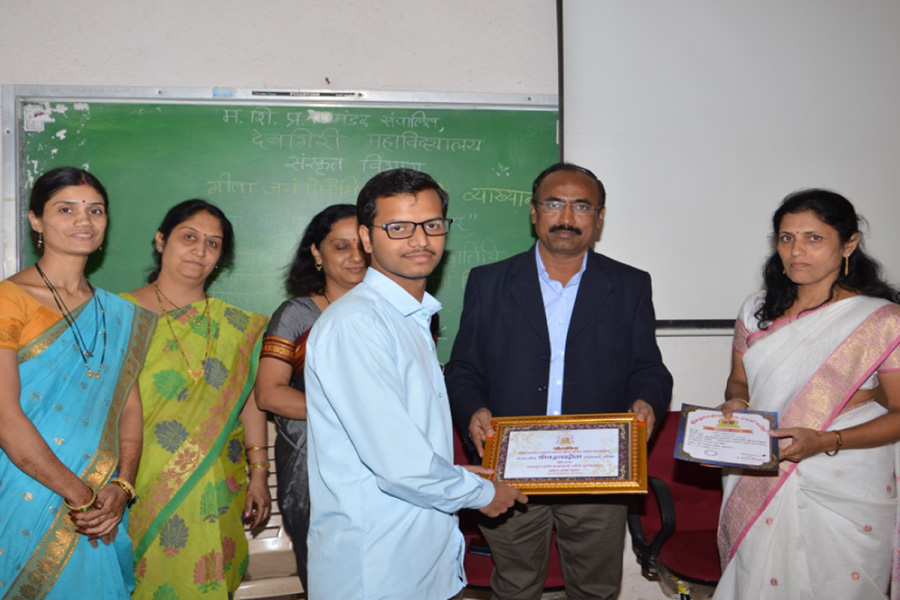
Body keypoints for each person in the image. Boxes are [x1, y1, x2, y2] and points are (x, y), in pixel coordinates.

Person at [445, 162, 673, 600]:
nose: (566, 217)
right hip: (511, 471)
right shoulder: (489, 282)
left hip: (596, 474)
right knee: (515, 587)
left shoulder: (629, 284)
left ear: (599, 218)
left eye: (581, 206)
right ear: (534, 212)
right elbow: (464, 368)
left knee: (595, 589)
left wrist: (647, 400)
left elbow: (649, 367)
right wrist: (473, 409)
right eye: (554, 204)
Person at [304, 168, 527, 600]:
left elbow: (405, 440)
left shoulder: (410, 318)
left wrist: (452, 474)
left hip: (417, 553)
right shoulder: (357, 324)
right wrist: (481, 493)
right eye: (399, 228)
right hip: (376, 564)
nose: (420, 240)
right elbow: (398, 463)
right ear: (367, 238)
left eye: (432, 225)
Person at [713, 189, 900, 599]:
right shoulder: (757, 311)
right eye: (786, 238)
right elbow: (739, 383)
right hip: (760, 467)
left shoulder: (882, 320)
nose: (796, 251)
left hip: (844, 477)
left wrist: (826, 441)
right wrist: (737, 404)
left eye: (814, 238)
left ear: (848, 243)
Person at [0, 167, 155, 598]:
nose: (83, 220)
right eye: (65, 209)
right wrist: (79, 495)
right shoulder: (8, 300)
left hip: (102, 499)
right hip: (26, 489)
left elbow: (129, 407)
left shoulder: (119, 313)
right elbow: (5, 417)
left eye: (95, 210)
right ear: (36, 220)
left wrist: (122, 485)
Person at [122, 200, 271, 599]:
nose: (200, 250)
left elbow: (250, 400)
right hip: (137, 476)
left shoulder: (239, 326)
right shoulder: (119, 314)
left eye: (213, 243)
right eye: (189, 237)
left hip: (217, 480)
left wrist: (259, 472)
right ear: (161, 240)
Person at [255, 203, 366, 588]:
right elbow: (269, 394)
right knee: (328, 576)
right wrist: (356, 416)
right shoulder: (297, 315)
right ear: (317, 253)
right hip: (313, 468)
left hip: (382, 464)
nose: (355, 257)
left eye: (362, 245)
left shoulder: (395, 313)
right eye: (341, 246)